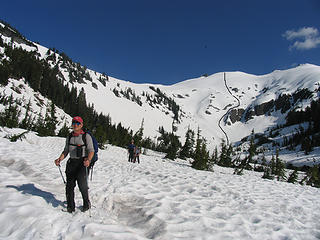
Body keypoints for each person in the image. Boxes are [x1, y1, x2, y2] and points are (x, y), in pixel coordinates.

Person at [54, 116, 94, 213]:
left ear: (81, 125)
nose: (75, 125)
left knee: (82, 184)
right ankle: (70, 206)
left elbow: (91, 150)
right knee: (69, 186)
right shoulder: (70, 136)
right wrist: (60, 159)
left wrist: (88, 160)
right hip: (72, 163)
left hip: (83, 163)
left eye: (77, 123)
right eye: (74, 123)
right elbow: (66, 150)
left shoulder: (86, 136)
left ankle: (86, 203)